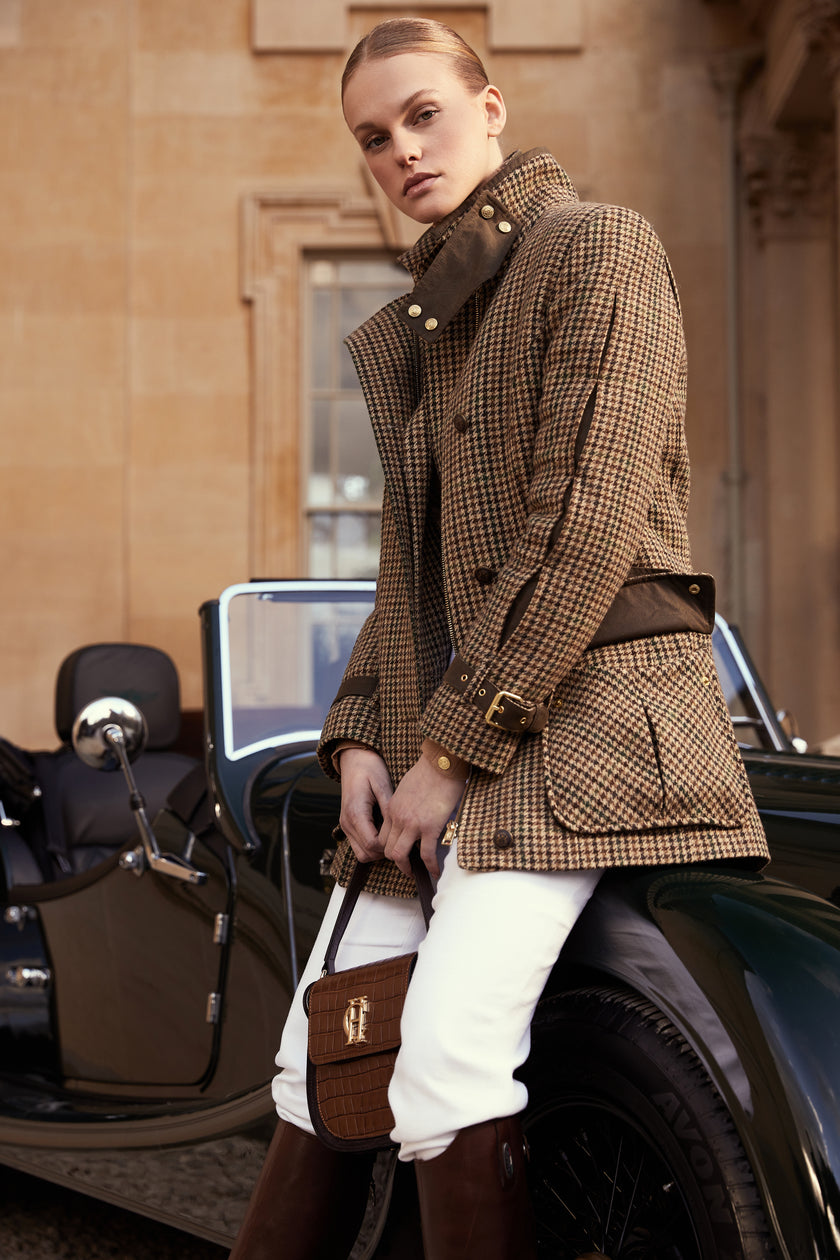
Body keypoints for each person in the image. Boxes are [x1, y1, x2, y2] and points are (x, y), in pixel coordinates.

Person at [229, 17, 769, 1259]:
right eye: (374, 137)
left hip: (589, 732)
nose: (401, 151)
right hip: (454, 737)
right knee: (322, 1070)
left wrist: (446, 756)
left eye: (423, 114)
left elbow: (582, 528)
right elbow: (408, 576)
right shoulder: (427, 320)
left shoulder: (600, 250)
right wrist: (361, 735)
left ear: (492, 107)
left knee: (446, 1065)